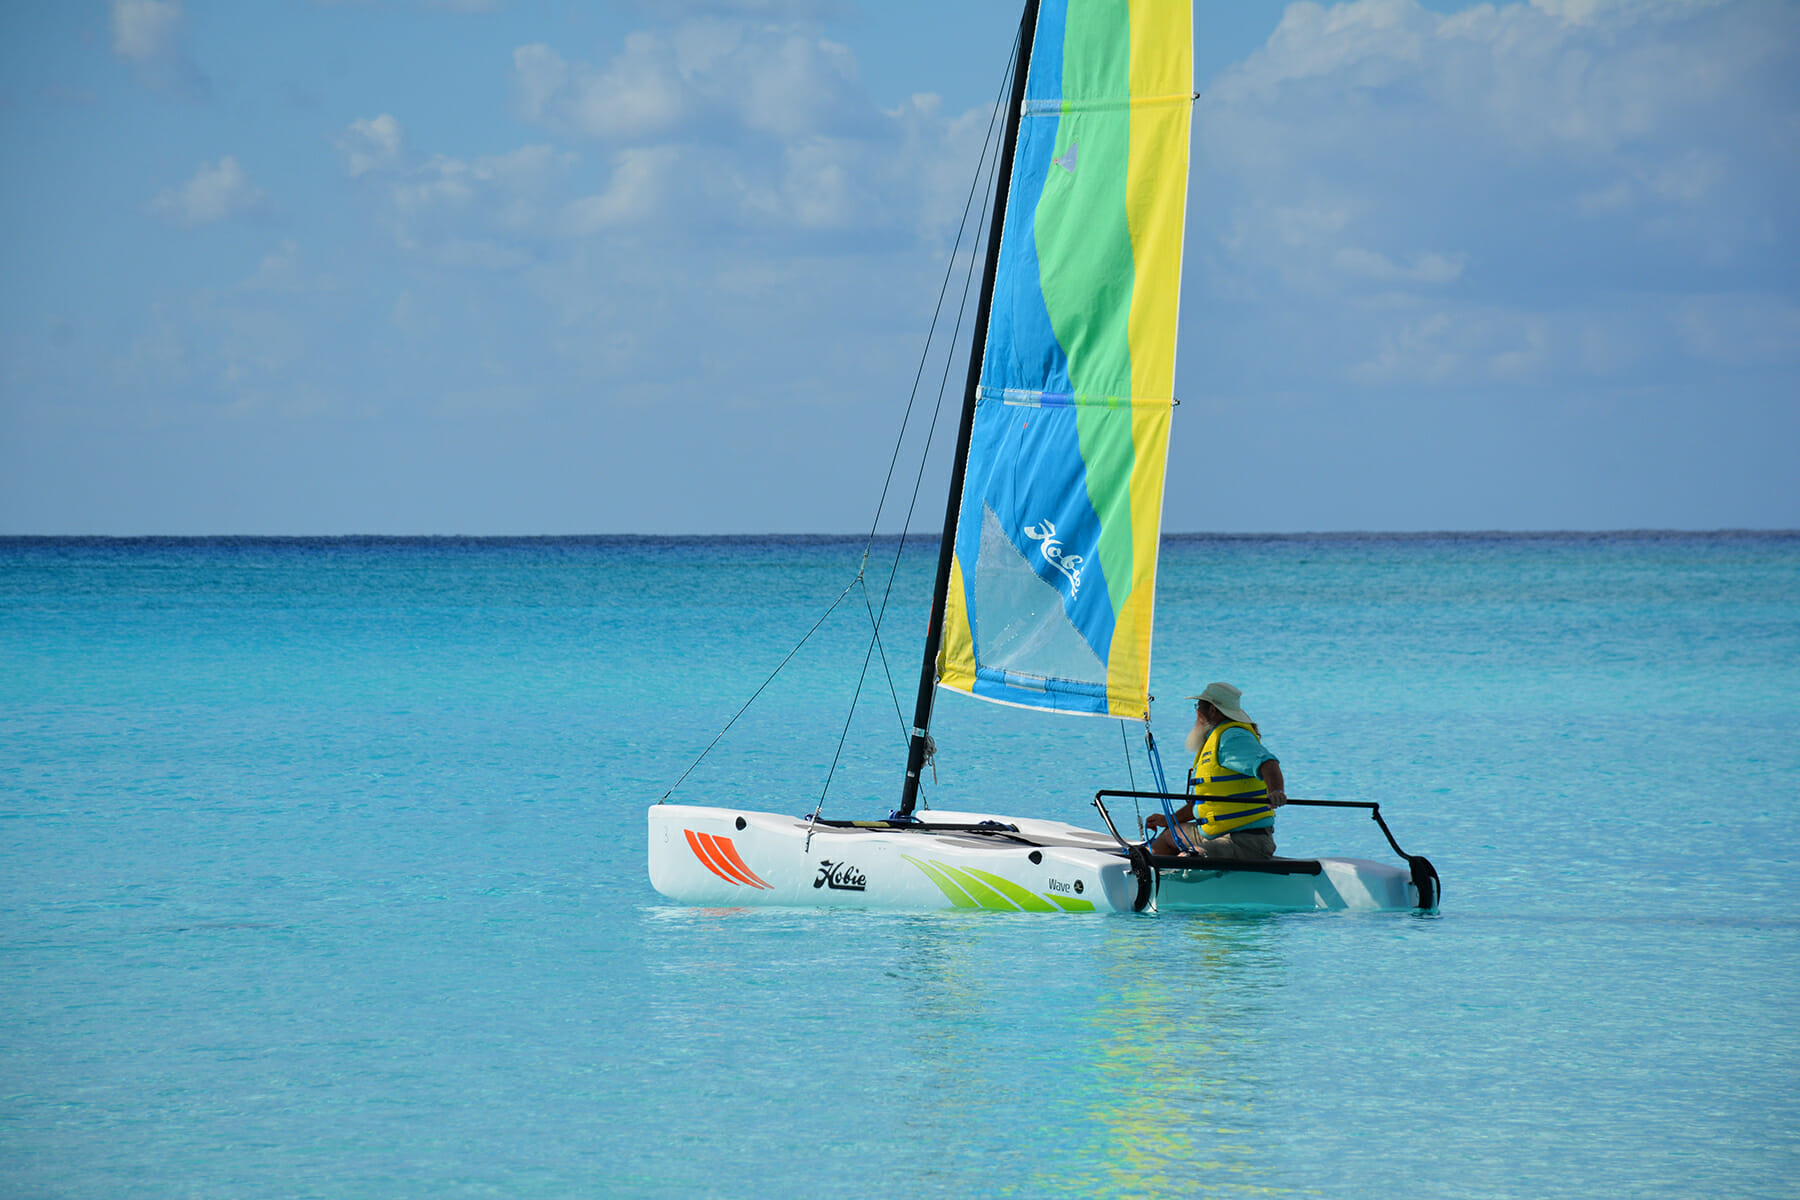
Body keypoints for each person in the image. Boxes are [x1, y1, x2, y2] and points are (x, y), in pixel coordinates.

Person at [1143, 681, 1287, 860]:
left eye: (1198, 707)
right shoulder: (1214, 740)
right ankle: (1144, 870)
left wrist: (1276, 791)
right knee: (1169, 834)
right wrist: (1168, 820)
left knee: (1192, 858)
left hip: (1244, 840)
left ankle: (1181, 869)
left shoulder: (1232, 737)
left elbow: (1268, 763)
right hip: (1216, 833)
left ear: (1212, 710)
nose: (1196, 712)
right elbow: (1202, 804)